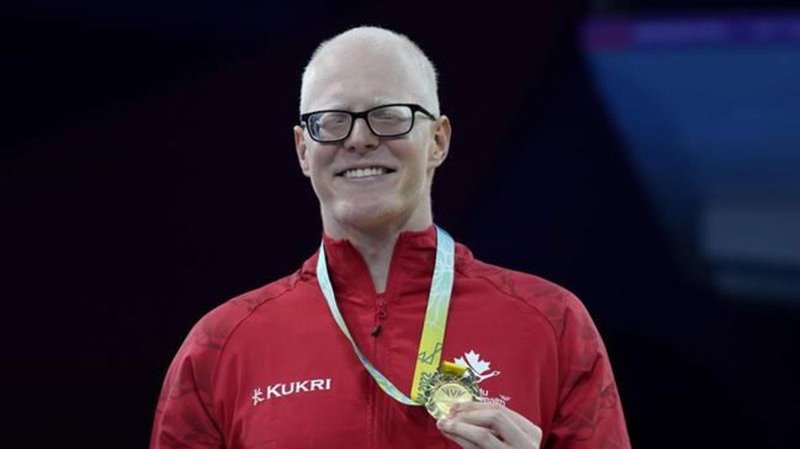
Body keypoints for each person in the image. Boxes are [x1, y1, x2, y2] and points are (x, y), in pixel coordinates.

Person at [150, 26, 631, 449]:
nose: (359, 139)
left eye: (390, 115)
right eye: (331, 120)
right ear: (303, 149)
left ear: (438, 140)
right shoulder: (222, 345)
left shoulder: (552, 324)